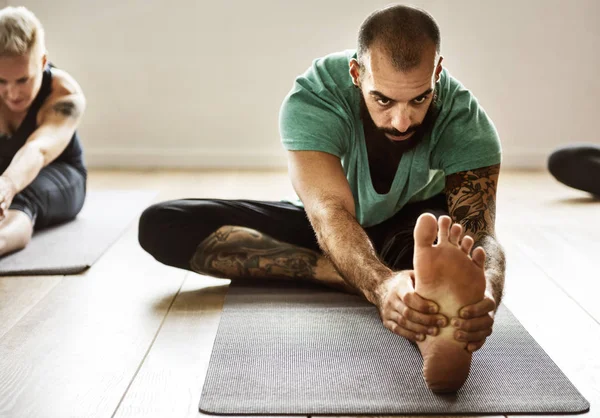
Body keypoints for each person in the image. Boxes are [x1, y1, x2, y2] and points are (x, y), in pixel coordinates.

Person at [139, 4, 505, 392]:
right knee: (162, 224)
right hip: (329, 227)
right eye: (383, 100)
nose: (402, 121)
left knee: (439, 238)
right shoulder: (315, 98)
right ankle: (369, 280)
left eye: (419, 99)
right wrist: (379, 286)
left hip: (411, 231)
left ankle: (428, 308)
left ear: (437, 71)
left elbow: (482, 235)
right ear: (356, 73)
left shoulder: (466, 121)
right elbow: (329, 212)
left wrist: (486, 292)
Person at [0, 6, 87, 257]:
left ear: (42, 61)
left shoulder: (65, 94)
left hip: (59, 174)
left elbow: (37, 150)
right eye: (2, 81)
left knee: (22, 194)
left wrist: (6, 184)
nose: (13, 93)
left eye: (23, 80)